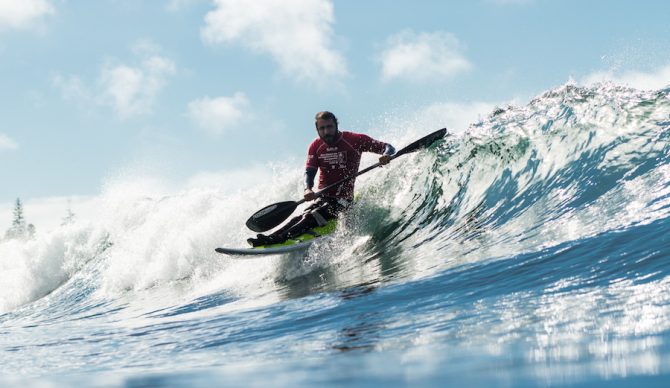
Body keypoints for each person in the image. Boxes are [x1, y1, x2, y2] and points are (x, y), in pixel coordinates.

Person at [247, 111, 396, 247]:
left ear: (336, 125)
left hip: (343, 200)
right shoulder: (316, 146)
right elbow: (309, 172)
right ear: (317, 129)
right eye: (322, 128)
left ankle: (278, 240)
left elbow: (387, 147)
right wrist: (308, 189)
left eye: (329, 127)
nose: (326, 131)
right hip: (323, 197)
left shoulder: (354, 140)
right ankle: (269, 238)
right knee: (299, 216)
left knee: (310, 217)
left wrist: (386, 155)